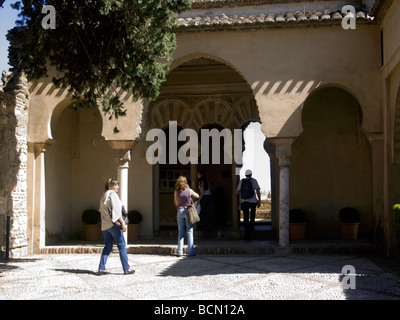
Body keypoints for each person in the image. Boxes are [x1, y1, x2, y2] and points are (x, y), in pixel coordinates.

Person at [98, 178, 135, 275]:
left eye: (118, 184)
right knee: (122, 245)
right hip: (113, 225)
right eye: (116, 185)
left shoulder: (103, 195)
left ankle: (101, 268)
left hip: (105, 225)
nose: (118, 187)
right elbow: (116, 212)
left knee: (108, 246)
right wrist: (123, 224)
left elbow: (101, 211)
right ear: (110, 186)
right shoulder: (113, 195)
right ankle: (126, 269)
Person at [174, 176, 199, 257]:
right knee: (189, 232)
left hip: (180, 211)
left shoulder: (176, 192)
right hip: (188, 212)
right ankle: (191, 252)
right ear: (186, 182)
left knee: (180, 233)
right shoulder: (189, 190)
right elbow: (197, 196)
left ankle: (179, 252)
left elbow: (176, 203)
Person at [236, 169, 261, 240]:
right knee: (252, 215)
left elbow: (237, 191)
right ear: (251, 174)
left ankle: (247, 233)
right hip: (252, 201)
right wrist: (259, 200)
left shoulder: (242, 181)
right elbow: (257, 190)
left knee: (246, 217)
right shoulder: (253, 181)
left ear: (245, 174)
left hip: (244, 202)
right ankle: (252, 227)